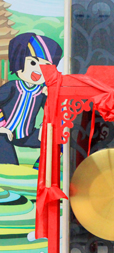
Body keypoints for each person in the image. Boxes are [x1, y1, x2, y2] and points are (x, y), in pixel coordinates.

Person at [0, 33, 62, 165]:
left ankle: (40, 168)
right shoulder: (12, 87)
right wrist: (2, 126)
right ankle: (10, 169)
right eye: (33, 62)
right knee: (3, 144)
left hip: (27, 135)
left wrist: (44, 127)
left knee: (58, 139)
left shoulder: (41, 92)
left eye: (45, 66)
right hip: (6, 132)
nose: (38, 70)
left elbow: (52, 112)